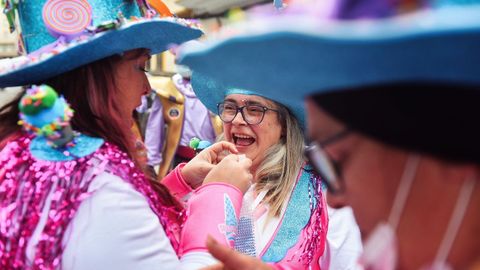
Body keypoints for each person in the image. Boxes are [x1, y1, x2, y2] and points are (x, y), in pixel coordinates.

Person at [178, 0, 480, 269]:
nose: (334, 198)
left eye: (337, 160)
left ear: (442, 161)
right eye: (230, 108)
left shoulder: (316, 199)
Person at [0, 1, 251, 269]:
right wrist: (221, 193)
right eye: (140, 66)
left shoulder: (24, 154)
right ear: (95, 73)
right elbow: (113, 215)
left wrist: (179, 183)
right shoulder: (101, 188)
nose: (146, 88)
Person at [160, 69, 363, 268]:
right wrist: (180, 182)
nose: (237, 120)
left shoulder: (323, 195)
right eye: (230, 108)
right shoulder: (199, 184)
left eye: (255, 110)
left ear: (283, 124)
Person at [142, 67, 222, 179]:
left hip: (213, 160)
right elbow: (155, 127)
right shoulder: (168, 90)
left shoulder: (215, 88)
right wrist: (150, 160)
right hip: (180, 160)